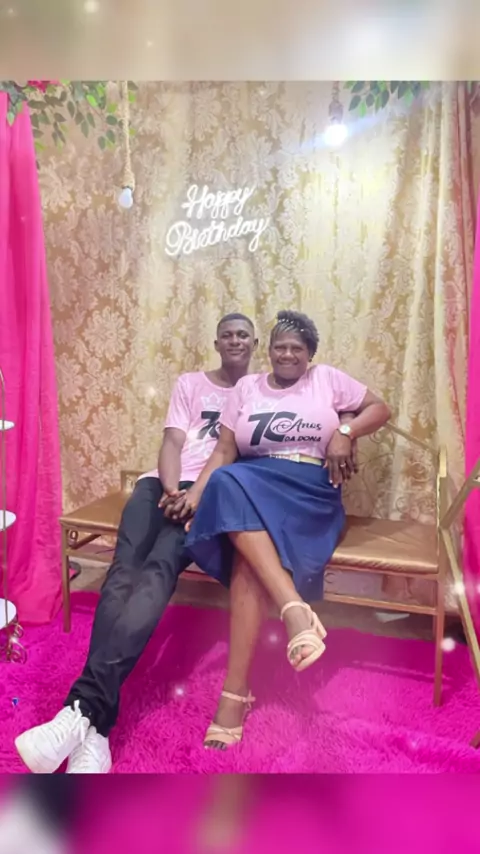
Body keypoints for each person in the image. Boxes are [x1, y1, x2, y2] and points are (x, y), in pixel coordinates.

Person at [14, 313, 258, 774]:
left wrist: (194, 496)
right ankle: (95, 729)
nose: (234, 341)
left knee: (158, 573)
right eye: (227, 334)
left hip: (210, 496)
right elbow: (171, 443)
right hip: (160, 487)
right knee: (122, 572)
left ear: (254, 343)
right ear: (216, 342)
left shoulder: (260, 392)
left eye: (242, 335)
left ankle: (80, 711)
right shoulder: (190, 384)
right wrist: (169, 489)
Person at [166, 310, 391, 749]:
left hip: (309, 491)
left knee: (246, 551)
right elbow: (224, 451)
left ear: (310, 354)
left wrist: (345, 430)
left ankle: (236, 694)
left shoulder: (326, 379)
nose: (287, 354)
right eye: (280, 347)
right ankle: (293, 613)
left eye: (297, 348)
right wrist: (194, 495)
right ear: (267, 351)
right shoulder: (247, 388)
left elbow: (380, 408)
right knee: (228, 485)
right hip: (254, 484)